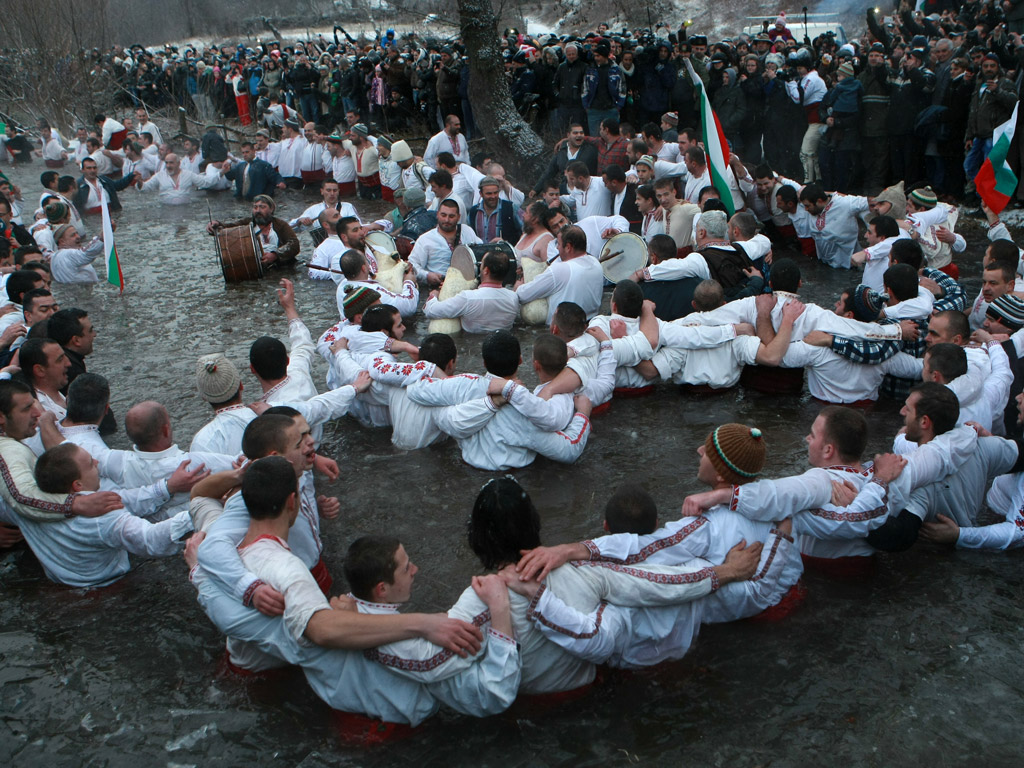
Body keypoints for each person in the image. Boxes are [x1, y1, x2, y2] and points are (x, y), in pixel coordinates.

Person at [515, 224, 604, 324]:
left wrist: (518, 286)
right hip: (591, 323)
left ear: (568, 247)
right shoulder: (595, 262)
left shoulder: (560, 270)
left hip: (563, 331)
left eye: (559, 244)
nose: (557, 248)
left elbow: (523, 295)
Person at [423, 249, 519, 333]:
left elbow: (432, 311)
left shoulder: (468, 298)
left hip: (470, 342)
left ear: (486, 270)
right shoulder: (513, 298)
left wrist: (433, 296)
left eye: (481, 264)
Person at [207, 195, 299, 268]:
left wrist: (275, 255)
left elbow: (294, 244)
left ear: (271, 209)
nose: (258, 211)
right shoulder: (247, 224)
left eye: (262, 207)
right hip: (256, 267)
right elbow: (227, 228)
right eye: (255, 207)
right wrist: (216, 225)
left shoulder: (280, 225)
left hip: (280, 267)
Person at [408, 199, 482, 287]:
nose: (447, 220)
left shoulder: (467, 231)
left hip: (467, 287)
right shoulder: (425, 239)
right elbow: (412, 265)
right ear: (437, 215)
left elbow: (481, 249)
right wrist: (427, 275)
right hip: (438, 288)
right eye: (443, 215)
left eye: (451, 216)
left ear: (458, 217)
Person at [137, 153, 213, 204]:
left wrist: (221, 172)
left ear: (179, 163)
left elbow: (205, 182)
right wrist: (139, 181)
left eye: (171, 163)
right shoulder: (159, 175)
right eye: (166, 163)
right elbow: (145, 188)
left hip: (185, 209)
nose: (168, 166)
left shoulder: (188, 174)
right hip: (166, 209)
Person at [72, 158, 137, 215]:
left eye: (94, 168)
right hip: (91, 217)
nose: (92, 170)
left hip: (110, 214)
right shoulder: (78, 185)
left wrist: (131, 176)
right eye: (89, 168)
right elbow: (75, 206)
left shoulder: (104, 180)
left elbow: (118, 186)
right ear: (83, 170)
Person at [222, 142, 286, 200]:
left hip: (258, 200)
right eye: (243, 152)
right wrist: (226, 170)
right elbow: (230, 177)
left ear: (253, 151)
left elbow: (275, 176)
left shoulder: (264, 165)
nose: (245, 155)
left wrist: (280, 182)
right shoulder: (240, 166)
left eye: (247, 152)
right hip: (241, 199)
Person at [467, 177, 521, 244]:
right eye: (489, 194)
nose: (493, 196)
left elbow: (524, 231)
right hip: (480, 253)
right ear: (481, 194)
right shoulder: (473, 212)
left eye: (495, 193)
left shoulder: (511, 208)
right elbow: (469, 236)